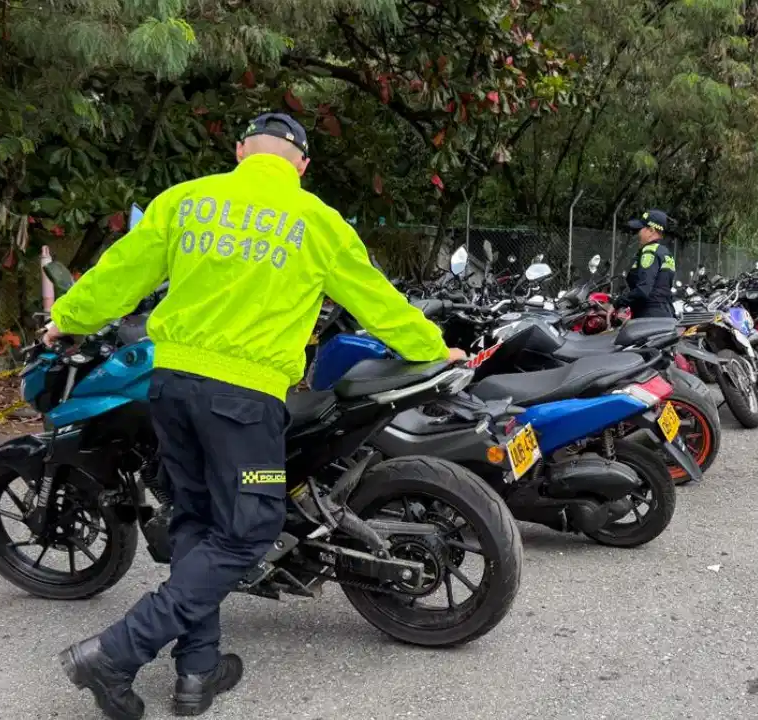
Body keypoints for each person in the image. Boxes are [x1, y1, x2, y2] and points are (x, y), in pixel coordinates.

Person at [44, 112, 466, 720]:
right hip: (243, 402)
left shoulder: (185, 201)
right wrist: (432, 348)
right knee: (250, 531)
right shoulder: (316, 221)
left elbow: (118, 275)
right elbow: (377, 301)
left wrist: (69, 319)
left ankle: (197, 672)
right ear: (302, 165)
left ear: (242, 151)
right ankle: (115, 652)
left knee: (196, 521)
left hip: (172, 387)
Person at [611, 209, 677, 319]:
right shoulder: (665, 253)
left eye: (640, 229)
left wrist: (617, 303)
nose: (638, 233)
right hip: (666, 314)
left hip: (649, 317)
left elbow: (643, 290)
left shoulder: (649, 251)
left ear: (651, 230)